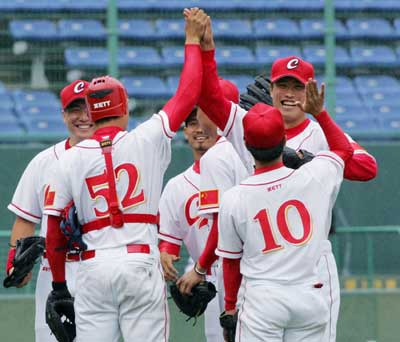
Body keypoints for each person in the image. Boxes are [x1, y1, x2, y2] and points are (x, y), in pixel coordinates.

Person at [185, 17, 377, 340]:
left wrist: (307, 160)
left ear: (311, 90)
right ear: (270, 88)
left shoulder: (320, 133)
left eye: (297, 87)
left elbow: (367, 167)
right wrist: (208, 49)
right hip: (259, 266)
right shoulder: (250, 122)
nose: (289, 94)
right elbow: (209, 99)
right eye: (282, 85)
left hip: (311, 263)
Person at [43, 8, 208, 341]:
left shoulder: (69, 159)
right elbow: (189, 92)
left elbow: (53, 229)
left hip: (93, 268)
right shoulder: (146, 137)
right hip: (139, 262)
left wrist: (59, 285)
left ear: (90, 110)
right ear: (124, 106)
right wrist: (192, 40)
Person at [217, 94, 354, 341]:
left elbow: (230, 263)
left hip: (263, 299)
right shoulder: (313, 176)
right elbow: (343, 149)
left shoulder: (234, 198)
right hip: (309, 295)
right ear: (283, 139)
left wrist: (229, 307)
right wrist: (320, 113)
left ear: (246, 144)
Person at [5, 79, 94, 341]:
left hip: (98, 266)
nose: (84, 116)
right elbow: (25, 218)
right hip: (54, 270)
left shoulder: (114, 157)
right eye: (75, 109)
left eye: (90, 107)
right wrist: (14, 262)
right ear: (64, 115)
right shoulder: (43, 161)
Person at [158, 78, 239, 342]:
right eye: (191, 122)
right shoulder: (175, 187)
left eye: (205, 118)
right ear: (184, 131)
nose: (199, 128)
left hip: (244, 271)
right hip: (210, 281)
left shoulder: (243, 164)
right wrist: (166, 259)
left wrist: (200, 269)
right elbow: (169, 245)